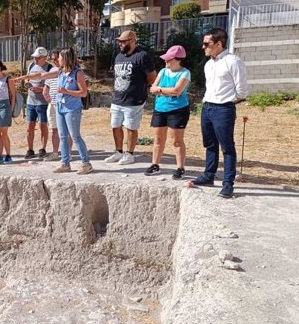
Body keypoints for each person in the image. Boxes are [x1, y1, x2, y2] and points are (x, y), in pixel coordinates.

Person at [191, 28, 249, 198]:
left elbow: (242, 90)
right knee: (209, 144)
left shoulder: (233, 61)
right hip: (207, 107)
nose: (203, 47)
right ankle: (209, 175)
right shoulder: (209, 64)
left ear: (219, 43)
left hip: (223, 108)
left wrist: (227, 102)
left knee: (227, 147)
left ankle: (228, 183)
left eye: (206, 43)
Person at [104, 30, 156, 165]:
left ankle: (130, 154)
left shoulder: (142, 56)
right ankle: (118, 151)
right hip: (118, 98)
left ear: (132, 41)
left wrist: (140, 89)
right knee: (115, 125)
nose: (120, 44)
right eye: (119, 42)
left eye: (123, 41)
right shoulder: (118, 57)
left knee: (131, 127)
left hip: (134, 100)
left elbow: (152, 77)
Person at [145, 45, 192, 180]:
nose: (166, 62)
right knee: (158, 139)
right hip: (160, 109)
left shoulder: (185, 73)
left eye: (169, 59)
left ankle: (180, 167)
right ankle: (155, 164)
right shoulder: (163, 71)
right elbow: (152, 88)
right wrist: (165, 90)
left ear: (178, 60)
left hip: (178, 110)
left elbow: (177, 91)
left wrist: (160, 90)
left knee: (177, 141)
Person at [50, 47, 92, 174]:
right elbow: (42, 75)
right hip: (60, 107)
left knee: (75, 136)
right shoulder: (61, 72)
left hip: (72, 108)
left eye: (60, 58)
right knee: (62, 136)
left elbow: (83, 93)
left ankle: (86, 163)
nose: (58, 59)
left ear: (66, 58)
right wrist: (26, 77)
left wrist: (66, 91)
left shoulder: (77, 73)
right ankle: (65, 163)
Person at [24, 47, 52, 159]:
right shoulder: (31, 66)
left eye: (38, 58)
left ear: (44, 58)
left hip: (43, 102)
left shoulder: (50, 68)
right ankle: (30, 149)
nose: (35, 59)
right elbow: (27, 78)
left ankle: (43, 148)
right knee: (29, 126)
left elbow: (51, 84)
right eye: (35, 57)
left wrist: (40, 89)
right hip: (30, 101)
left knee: (43, 125)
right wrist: (27, 84)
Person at [43, 48, 65, 161]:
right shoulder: (52, 70)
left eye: (56, 58)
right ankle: (55, 153)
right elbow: (46, 85)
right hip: (52, 104)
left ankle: (67, 154)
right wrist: (45, 92)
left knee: (67, 130)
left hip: (65, 104)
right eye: (53, 59)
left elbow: (84, 82)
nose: (54, 61)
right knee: (54, 129)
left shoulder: (69, 69)